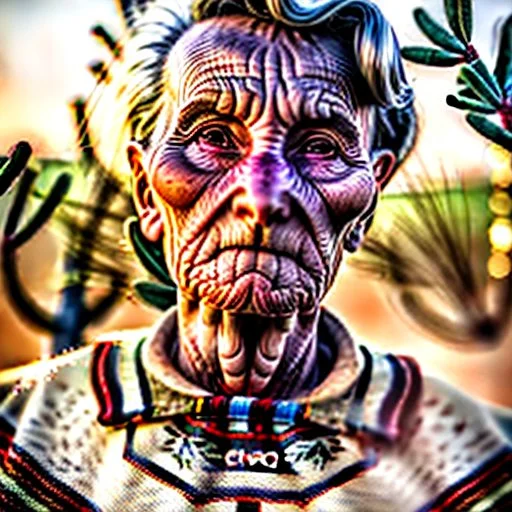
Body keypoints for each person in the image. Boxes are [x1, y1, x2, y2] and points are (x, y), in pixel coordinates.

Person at [0, 0, 510, 510]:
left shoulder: (473, 457)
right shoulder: (23, 432)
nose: (262, 199)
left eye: (322, 147)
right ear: (147, 190)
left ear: (367, 202)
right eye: (214, 138)